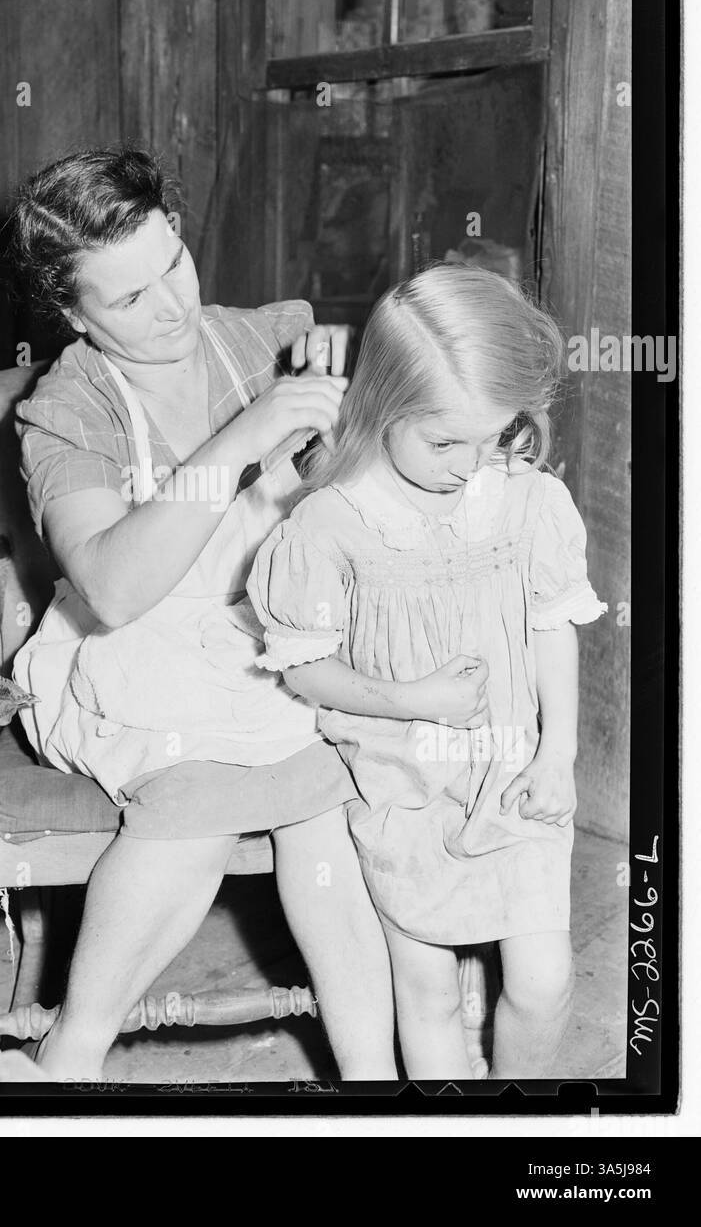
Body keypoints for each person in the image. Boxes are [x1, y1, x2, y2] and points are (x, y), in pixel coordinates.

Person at [6, 146, 481, 1080]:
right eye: (130, 299)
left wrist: (344, 423)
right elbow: (111, 587)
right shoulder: (66, 410)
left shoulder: (257, 340)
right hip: (135, 656)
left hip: (267, 632)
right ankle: (72, 1058)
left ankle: (369, 1081)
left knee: (331, 812)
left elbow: (360, 472)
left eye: (171, 264)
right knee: (199, 796)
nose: (173, 306)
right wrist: (245, 436)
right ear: (71, 313)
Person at [247, 263, 607, 1079]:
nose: (470, 464)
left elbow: (554, 627)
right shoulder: (331, 526)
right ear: (379, 406)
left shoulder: (524, 503)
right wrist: (412, 699)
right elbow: (305, 671)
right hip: (400, 781)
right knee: (429, 990)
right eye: (446, 441)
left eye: (495, 436)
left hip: (515, 770)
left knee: (545, 982)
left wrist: (557, 753)